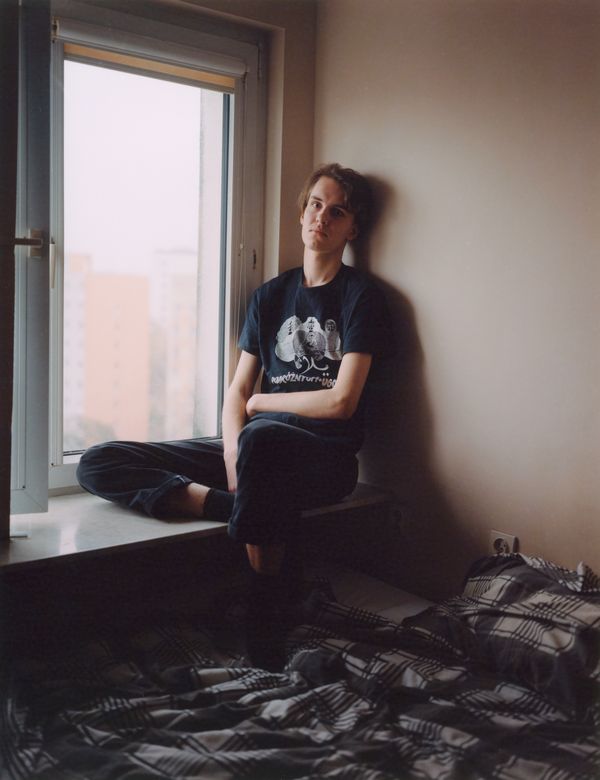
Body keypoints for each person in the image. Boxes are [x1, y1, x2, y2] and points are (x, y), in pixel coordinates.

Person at [77, 162, 393, 670]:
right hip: (253, 454)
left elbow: (341, 402)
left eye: (337, 212)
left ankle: (264, 614)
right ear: (302, 213)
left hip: (325, 458)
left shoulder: (362, 297)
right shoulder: (271, 295)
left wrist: (263, 406)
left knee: (262, 437)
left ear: (352, 229)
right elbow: (237, 392)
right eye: (315, 205)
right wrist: (232, 457)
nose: (322, 217)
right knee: (99, 460)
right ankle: (240, 508)